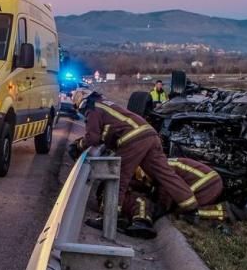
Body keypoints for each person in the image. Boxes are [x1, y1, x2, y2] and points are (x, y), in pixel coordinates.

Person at [68, 91, 197, 238]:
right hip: (150, 135)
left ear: (79, 103)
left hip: (133, 140)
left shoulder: (92, 109)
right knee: (164, 173)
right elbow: (107, 133)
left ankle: (110, 217)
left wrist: (78, 145)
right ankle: (190, 208)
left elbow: (92, 137)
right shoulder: (104, 104)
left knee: (118, 176)